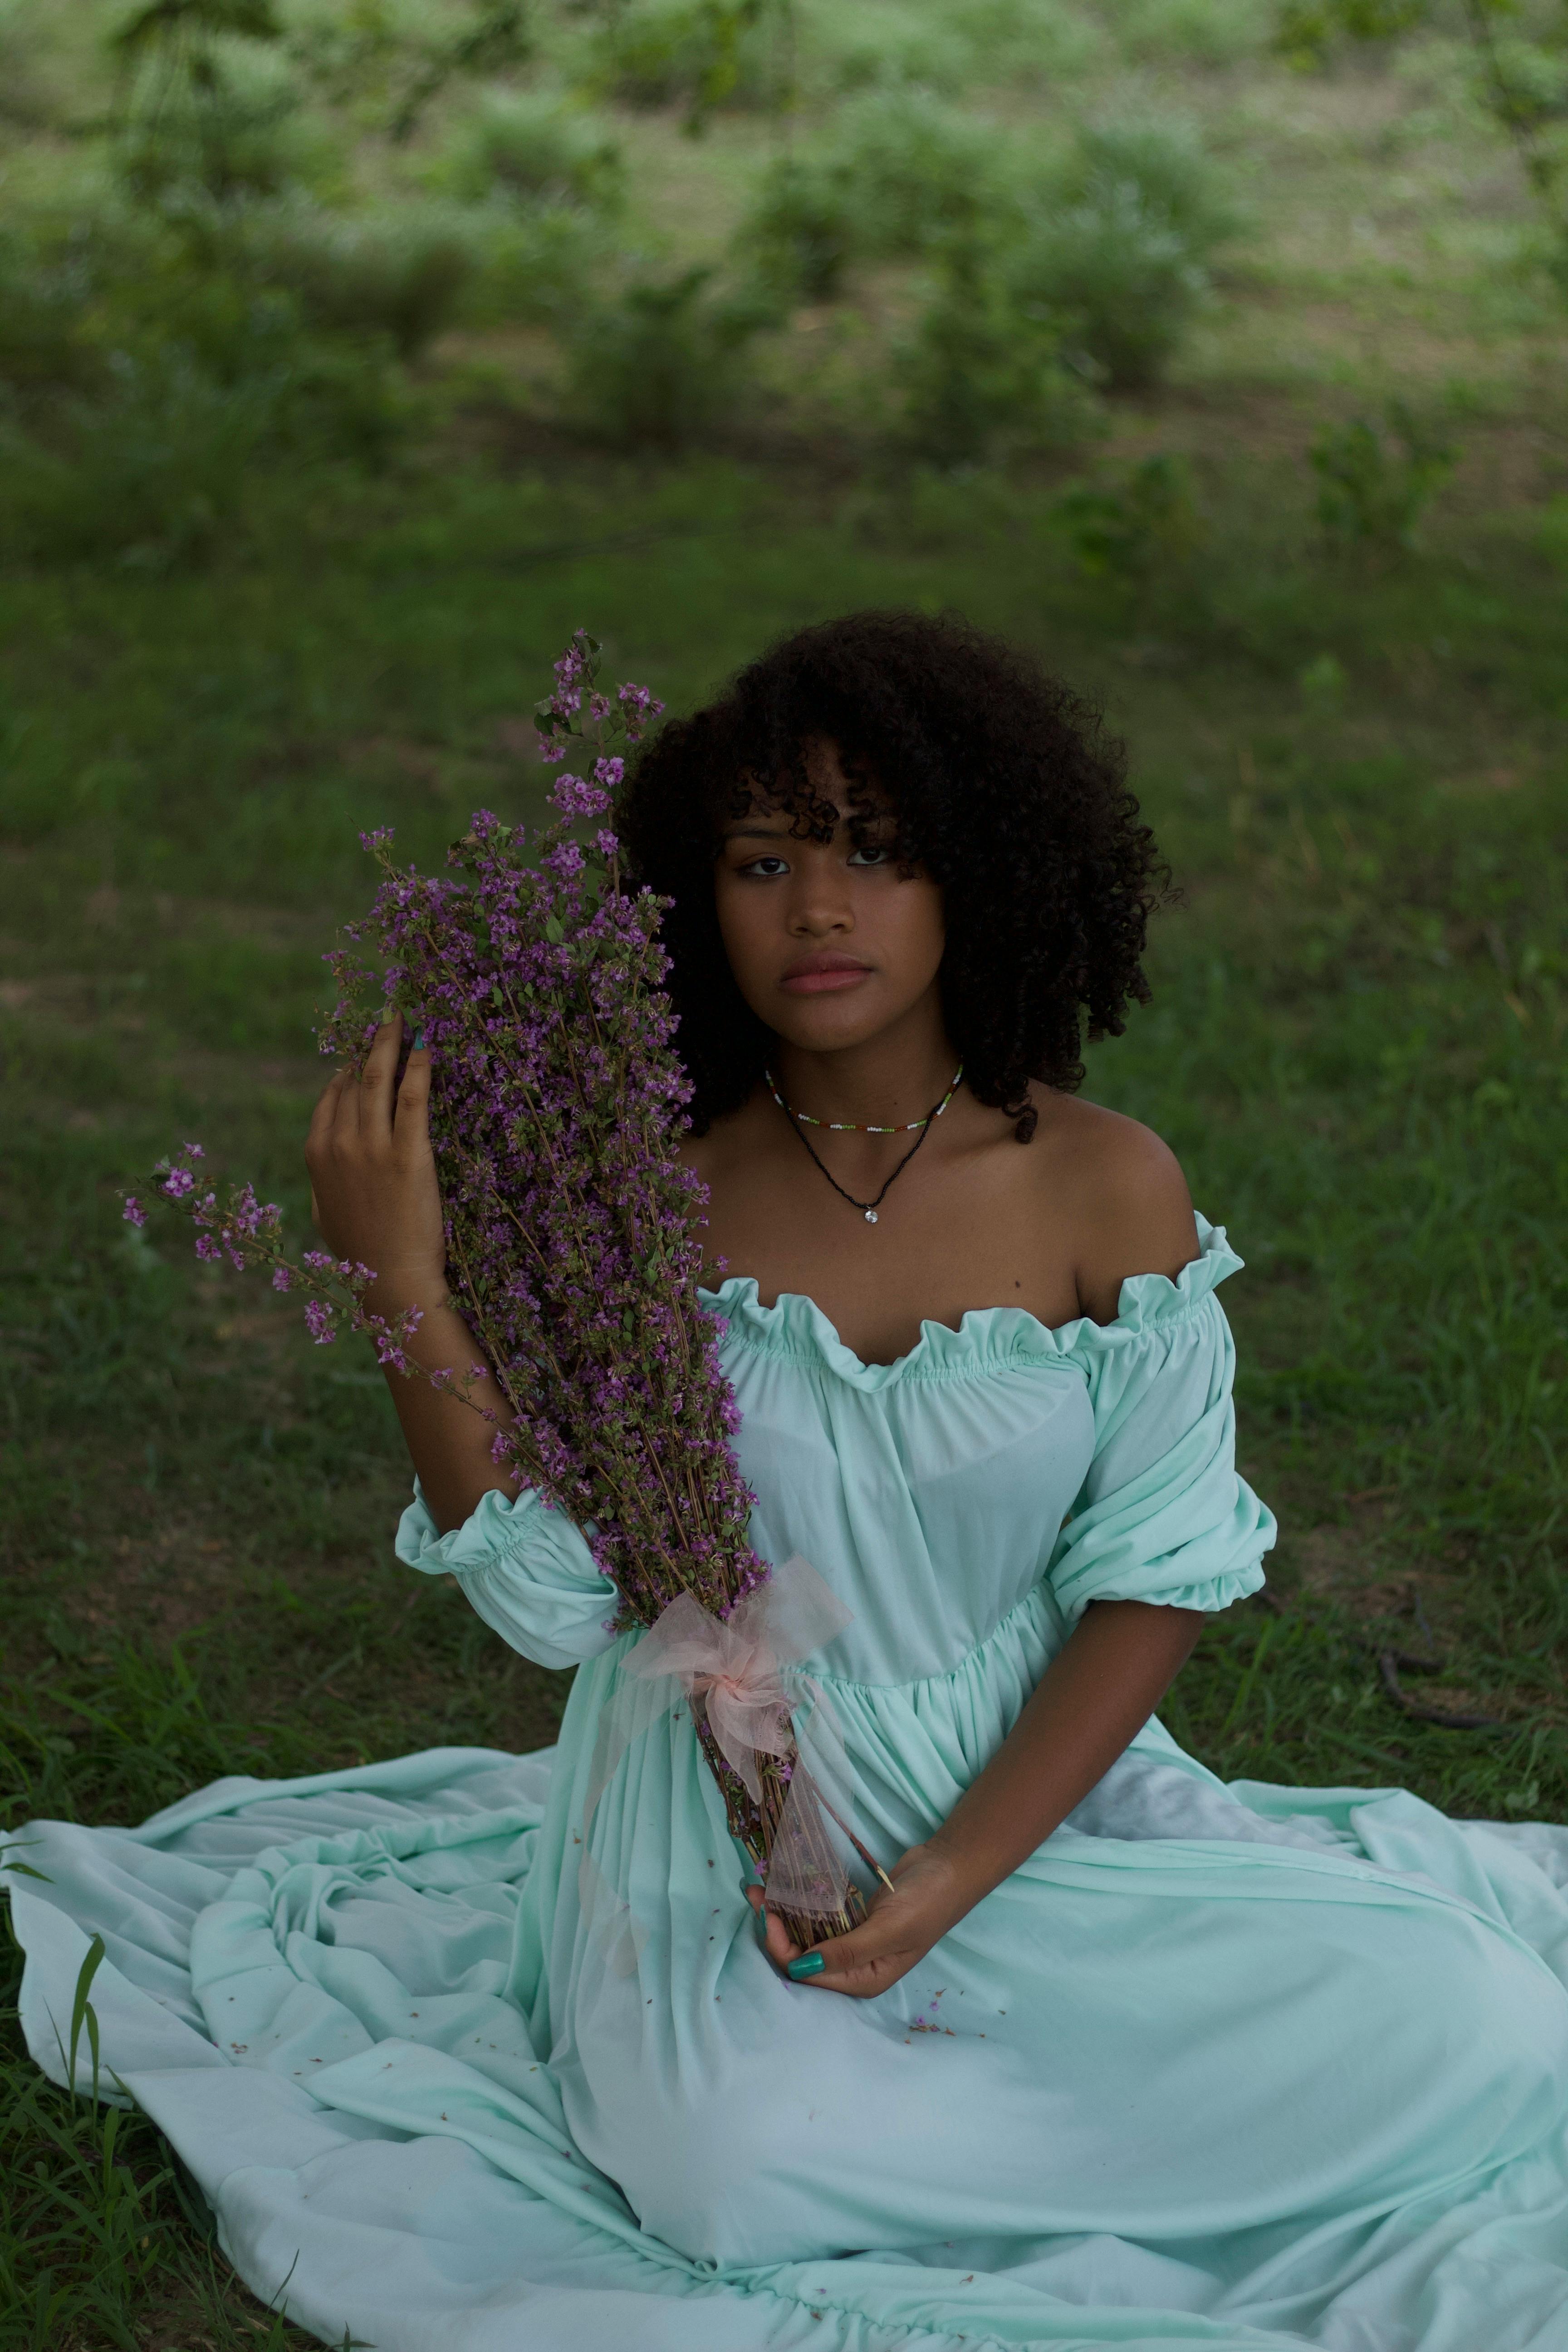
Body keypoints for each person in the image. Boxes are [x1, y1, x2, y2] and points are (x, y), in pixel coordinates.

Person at [15, 612, 1568, 2352]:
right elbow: (556, 1607)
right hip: (719, 1817)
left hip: (1038, 1798)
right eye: (764, 858)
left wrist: (958, 1874)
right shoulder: (637, 1200)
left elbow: (1158, 1577)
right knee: (729, 2171)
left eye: (880, 852)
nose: (819, 908)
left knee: (1482, 2030)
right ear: (696, 894)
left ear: (981, 869)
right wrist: (406, 1283)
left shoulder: (1102, 1188)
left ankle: (1013, 2091)